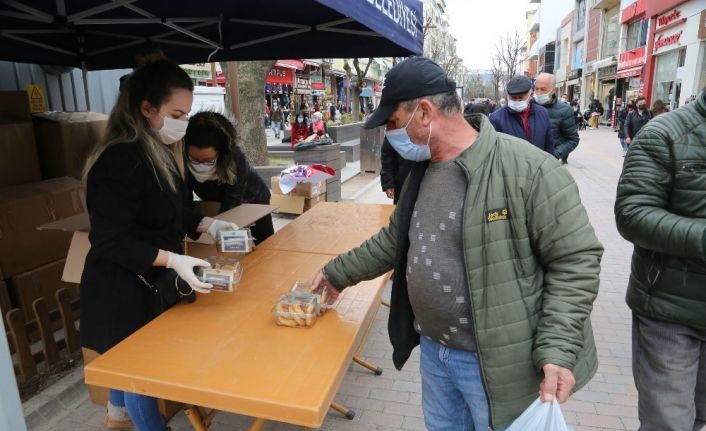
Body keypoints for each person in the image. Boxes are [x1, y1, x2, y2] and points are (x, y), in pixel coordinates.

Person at [311, 56, 603, 431]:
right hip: (435, 352)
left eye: (394, 124)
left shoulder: (530, 170)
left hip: (498, 362)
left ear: (424, 113)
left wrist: (559, 349)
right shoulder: (422, 172)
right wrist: (337, 273)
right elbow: (393, 241)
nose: (391, 136)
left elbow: (576, 262)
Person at [81, 60, 238, 431]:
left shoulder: (157, 151)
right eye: (176, 113)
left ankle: (116, 418)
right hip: (121, 286)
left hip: (148, 277)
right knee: (143, 371)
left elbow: (170, 209)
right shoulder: (120, 159)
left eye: (186, 113)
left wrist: (206, 223)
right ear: (147, 109)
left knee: (130, 363)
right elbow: (109, 239)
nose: (182, 123)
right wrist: (173, 260)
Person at [615, 88, 706, 431]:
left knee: (697, 417)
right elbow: (632, 214)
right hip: (670, 312)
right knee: (668, 423)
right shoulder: (664, 134)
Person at [183, 111, 274, 245]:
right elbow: (185, 198)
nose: (200, 165)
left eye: (208, 160)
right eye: (195, 160)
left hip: (253, 199)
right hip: (216, 202)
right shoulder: (181, 161)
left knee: (264, 245)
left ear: (221, 154)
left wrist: (219, 225)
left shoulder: (234, 159)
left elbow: (232, 199)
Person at [489, 75, 554, 155]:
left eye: (520, 98)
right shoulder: (496, 118)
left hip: (538, 165)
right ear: (508, 96)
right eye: (513, 98)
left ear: (530, 95)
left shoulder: (542, 113)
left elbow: (549, 146)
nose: (517, 101)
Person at [533, 73, 579, 164]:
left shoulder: (565, 110)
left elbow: (573, 139)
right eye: (536, 89)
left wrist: (555, 154)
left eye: (543, 89)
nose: (538, 93)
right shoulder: (528, 106)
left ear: (553, 90)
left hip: (549, 163)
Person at [380, 137, 415, 204]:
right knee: (402, 209)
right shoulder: (395, 129)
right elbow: (387, 158)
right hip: (402, 180)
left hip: (427, 179)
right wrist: (388, 183)